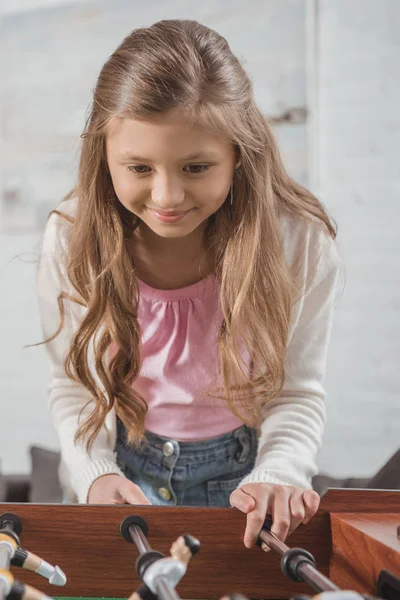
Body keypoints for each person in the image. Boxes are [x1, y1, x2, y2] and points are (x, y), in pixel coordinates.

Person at [36, 19, 340, 551]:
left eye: (196, 166)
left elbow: (296, 393)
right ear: (103, 157)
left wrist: (281, 473)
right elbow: (74, 386)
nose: (168, 195)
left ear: (238, 154)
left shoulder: (300, 241)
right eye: (138, 167)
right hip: (120, 471)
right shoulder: (71, 235)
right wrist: (94, 472)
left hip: (247, 483)